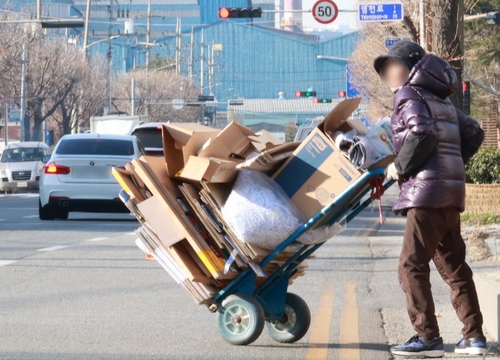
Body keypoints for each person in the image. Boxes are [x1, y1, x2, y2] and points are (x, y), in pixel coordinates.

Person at [374, 41, 486, 358]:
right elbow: (475, 132)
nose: (389, 74)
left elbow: (421, 134)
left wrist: (400, 166)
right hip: (449, 196)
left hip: (426, 196)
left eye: (394, 67)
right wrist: (450, 164)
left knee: (410, 267)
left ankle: (427, 338)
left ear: (412, 68)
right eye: (385, 70)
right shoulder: (441, 101)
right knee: (454, 269)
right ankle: (474, 338)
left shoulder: (409, 95)